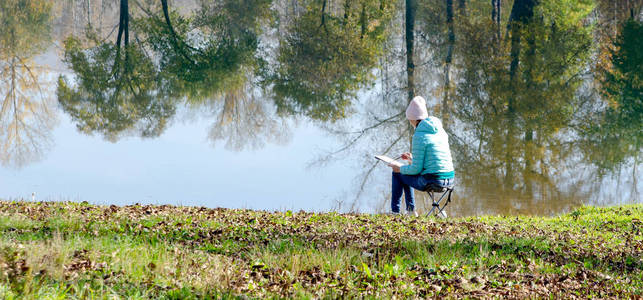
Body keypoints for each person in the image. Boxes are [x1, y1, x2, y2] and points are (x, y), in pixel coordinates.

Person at [388, 96, 455, 215]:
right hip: (449, 179)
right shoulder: (440, 132)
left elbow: (415, 170)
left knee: (398, 173)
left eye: (409, 119)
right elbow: (433, 161)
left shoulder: (419, 136)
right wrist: (411, 158)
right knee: (405, 172)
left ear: (414, 119)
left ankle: (396, 212)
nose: (410, 122)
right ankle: (410, 210)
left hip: (433, 180)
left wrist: (398, 168)